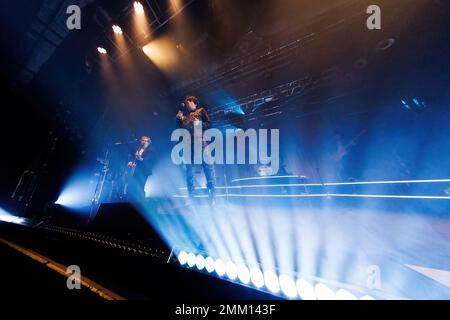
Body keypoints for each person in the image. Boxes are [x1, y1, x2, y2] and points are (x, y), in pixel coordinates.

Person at [176, 96, 216, 201]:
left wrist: (199, 123)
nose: (186, 105)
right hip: (189, 145)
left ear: (194, 102)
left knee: (208, 166)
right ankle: (191, 195)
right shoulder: (185, 117)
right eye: (186, 103)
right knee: (189, 169)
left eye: (188, 102)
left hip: (200, 142)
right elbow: (180, 130)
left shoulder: (201, 110)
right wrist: (179, 120)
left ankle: (212, 193)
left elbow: (209, 124)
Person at [125, 135, 152, 201]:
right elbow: (136, 160)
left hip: (144, 171)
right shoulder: (139, 149)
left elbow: (149, 160)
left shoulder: (150, 150)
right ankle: (131, 200)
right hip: (137, 170)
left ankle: (141, 201)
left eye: (144, 140)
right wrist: (132, 162)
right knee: (132, 185)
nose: (142, 142)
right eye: (141, 140)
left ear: (148, 142)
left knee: (140, 185)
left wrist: (140, 158)